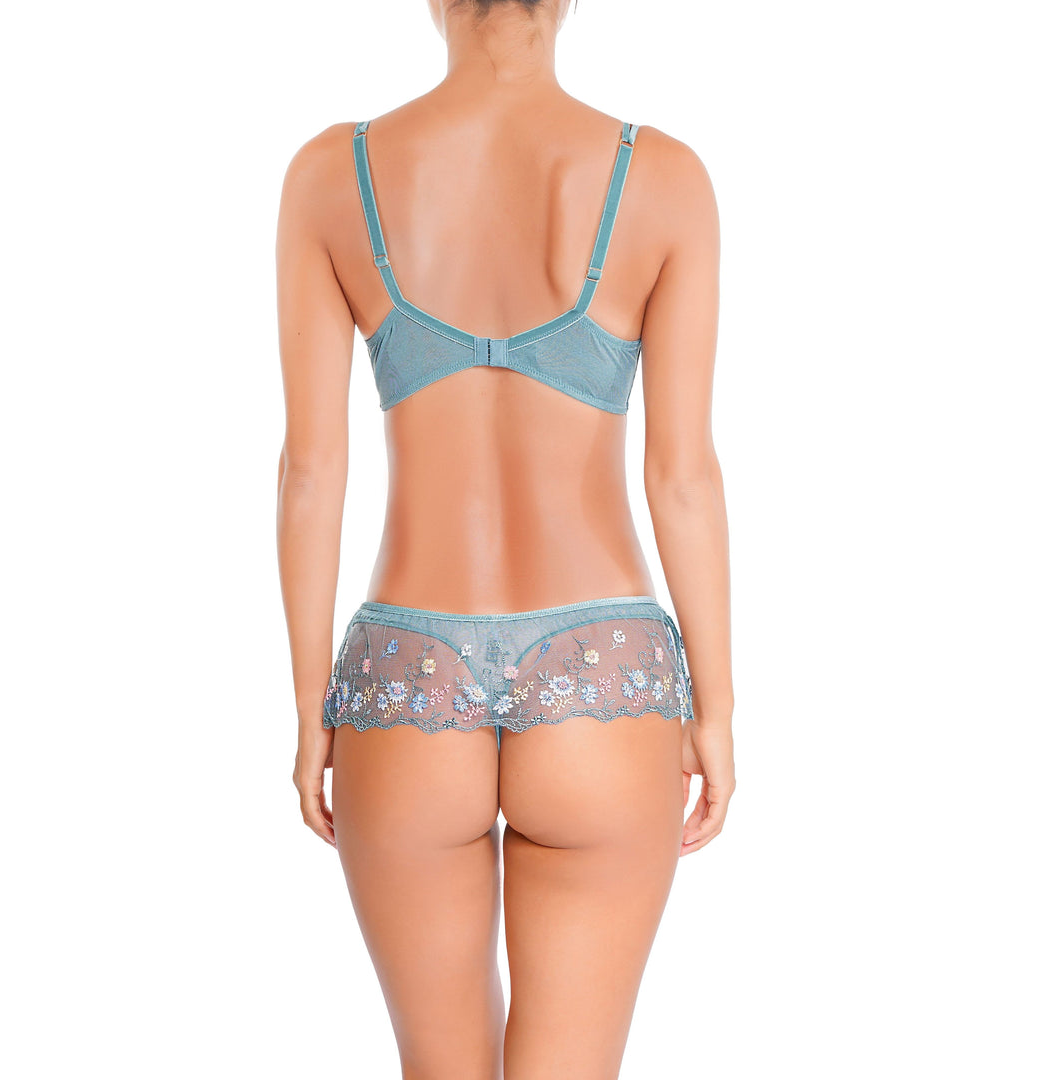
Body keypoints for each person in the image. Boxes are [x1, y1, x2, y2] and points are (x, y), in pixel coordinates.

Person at [275, 0, 735, 1075]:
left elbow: (311, 472)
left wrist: (308, 710)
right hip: (604, 677)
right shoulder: (663, 178)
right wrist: (717, 708)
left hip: (406, 678)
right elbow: (682, 478)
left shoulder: (332, 176)